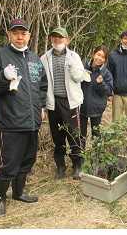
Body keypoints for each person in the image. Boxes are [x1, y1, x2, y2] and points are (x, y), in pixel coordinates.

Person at [0, 18, 48, 217]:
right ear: (10, 35)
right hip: (10, 121)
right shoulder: (0, 56)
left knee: (27, 160)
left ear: (29, 35)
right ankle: (0, 200)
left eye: (23, 33)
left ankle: (18, 193)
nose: (20, 37)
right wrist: (3, 76)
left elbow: (42, 86)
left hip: (32, 121)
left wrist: (42, 106)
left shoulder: (35, 58)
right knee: (8, 163)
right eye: (16, 33)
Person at [40, 27, 85, 180]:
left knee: (73, 135)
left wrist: (72, 68)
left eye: (61, 38)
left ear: (67, 40)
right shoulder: (44, 58)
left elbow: (79, 77)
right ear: (50, 39)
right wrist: (42, 105)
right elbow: (42, 82)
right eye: (54, 37)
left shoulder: (74, 56)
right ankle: (60, 166)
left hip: (70, 102)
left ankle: (77, 165)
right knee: (57, 137)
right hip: (53, 103)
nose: (57, 40)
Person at [80, 45, 114, 144]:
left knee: (96, 134)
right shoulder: (83, 67)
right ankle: (80, 157)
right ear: (93, 54)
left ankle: (96, 156)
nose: (99, 58)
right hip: (82, 106)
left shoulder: (106, 73)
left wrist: (101, 83)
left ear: (105, 60)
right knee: (81, 135)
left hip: (97, 108)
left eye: (103, 57)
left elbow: (108, 92)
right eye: (98, 54)